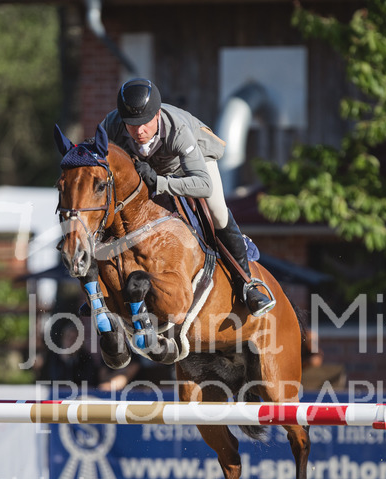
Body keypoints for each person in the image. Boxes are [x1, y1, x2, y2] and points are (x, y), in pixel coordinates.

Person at [101, 78, 274, 317]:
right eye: (131, 124)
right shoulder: (111, 124)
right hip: (148, 167)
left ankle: (247, 284)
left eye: (144, 124)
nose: (138, 131)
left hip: (194, 164)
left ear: (157, 114)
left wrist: (159, 183)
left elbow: (203, 184)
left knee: (217, 211)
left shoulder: (178, 130)